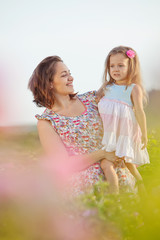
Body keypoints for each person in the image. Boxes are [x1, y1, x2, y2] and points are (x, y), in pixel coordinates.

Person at [28, 55, 135, 197]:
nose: (71, 78)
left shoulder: (92, 99)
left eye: (69, 73)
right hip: (87, 194)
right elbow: (64, 165)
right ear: (50, 83)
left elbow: (122, 102)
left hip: (120, 177)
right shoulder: (47, 121)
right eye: (64, 75)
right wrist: (101, 154)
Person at [98, 46, 150, 194]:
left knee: (125, 161)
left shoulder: (133, 88)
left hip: (124, 131)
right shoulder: (106, 87)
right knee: (110, 162)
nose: (116, 69)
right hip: (109, 132)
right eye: (112, 66)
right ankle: (119, 193)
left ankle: (137, 185)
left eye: (121, 65)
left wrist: (144, 134)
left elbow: (140, 112)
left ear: (131, 67)